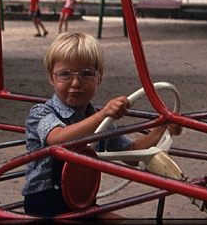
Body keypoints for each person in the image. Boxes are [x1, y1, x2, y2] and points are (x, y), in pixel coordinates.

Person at [22, 32, 182, 218]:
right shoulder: (41, 114)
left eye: (86, 74)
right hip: (45, 207)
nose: (76, 83)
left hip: (82, 203)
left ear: (99, 77)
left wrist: (163, 127)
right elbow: (58, 138)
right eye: (65, 74)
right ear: (51, 77)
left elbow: (132, 152)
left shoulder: (98, 118)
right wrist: (104, 115)